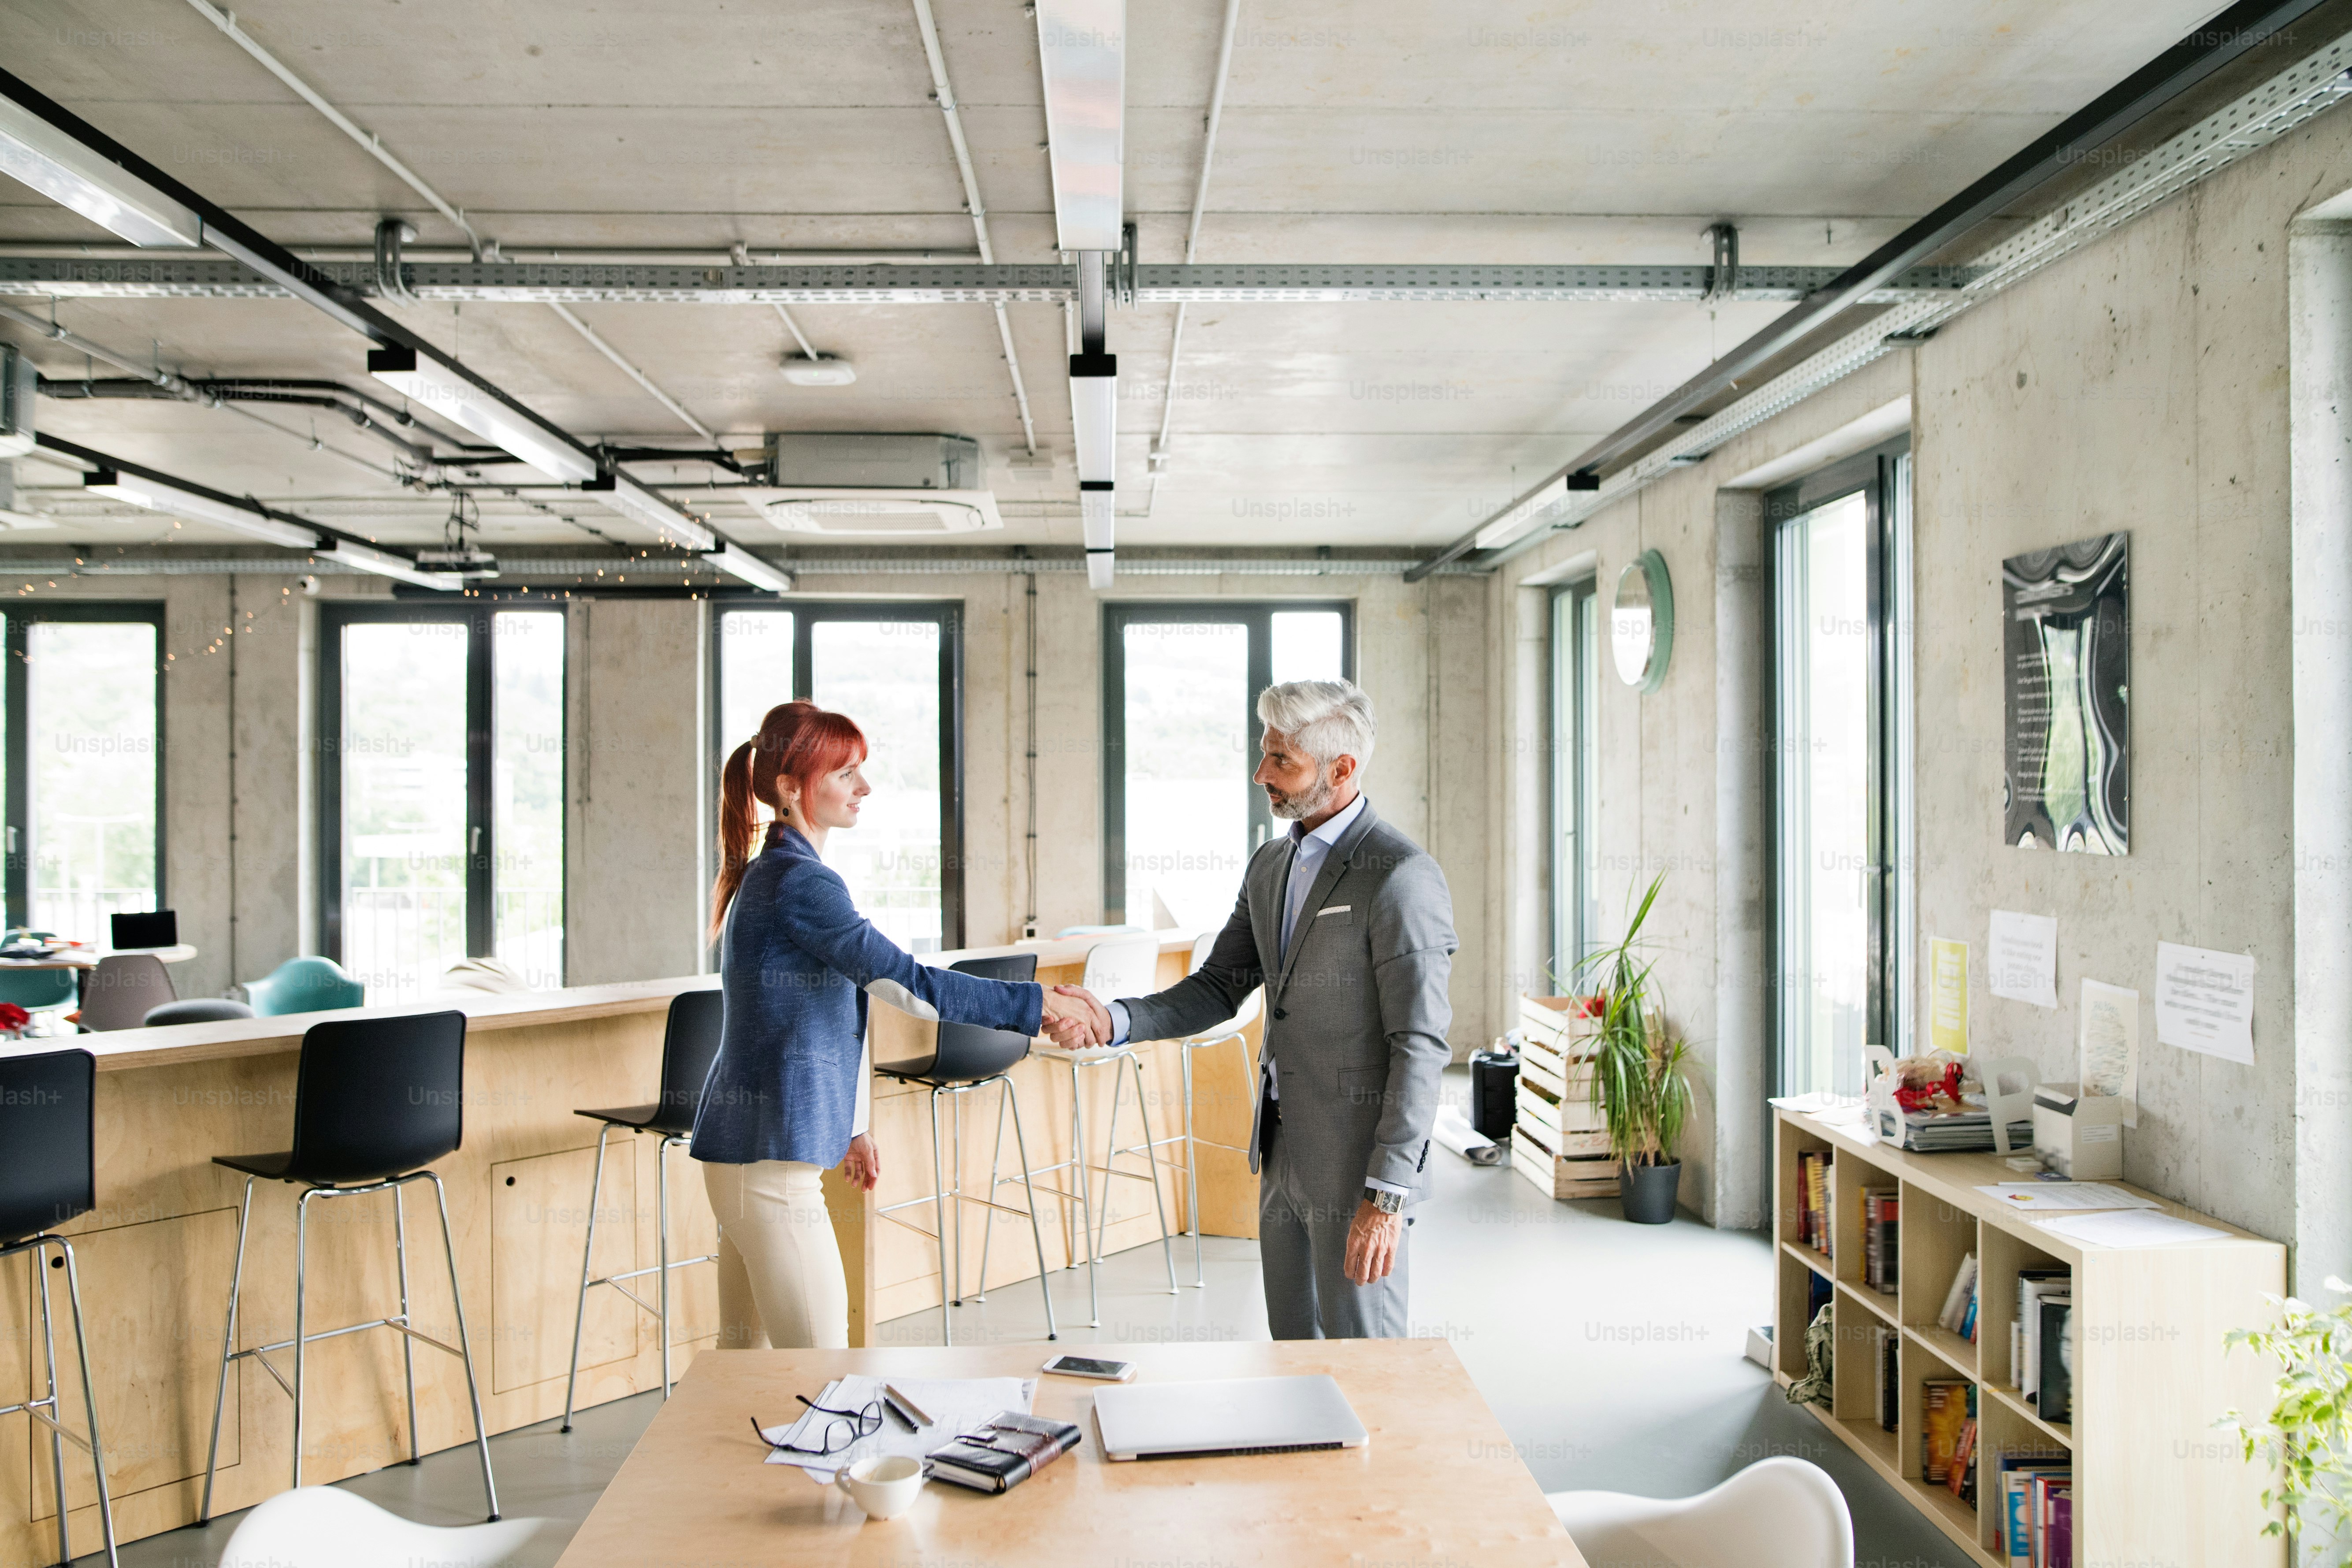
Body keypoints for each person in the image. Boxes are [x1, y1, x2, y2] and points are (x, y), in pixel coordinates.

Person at [1054, 679, 1456, 1339]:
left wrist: (1385, 1196)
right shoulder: (1271, 864)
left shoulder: (1399, 876)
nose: (1259, 774)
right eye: (1264, 754)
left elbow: (1419, 1045)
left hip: (1358, 1169)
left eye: (1282, 762)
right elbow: (1217, 986)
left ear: (1342, 769)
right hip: (1279, 1153)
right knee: (1293, 1352)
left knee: (1369, 1366)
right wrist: (1113, 1018)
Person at [691, 699, 1097, 1349]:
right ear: (793, 788)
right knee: (822, 1372)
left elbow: (821, 1015)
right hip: (768, 1166)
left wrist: (853, 1126)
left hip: (752, 1156)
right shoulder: (799, 883)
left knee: (746, 1372)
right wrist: (1037, 1004)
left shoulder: (784, 873)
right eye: (845, 772)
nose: (864, 787)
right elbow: (907, 984)